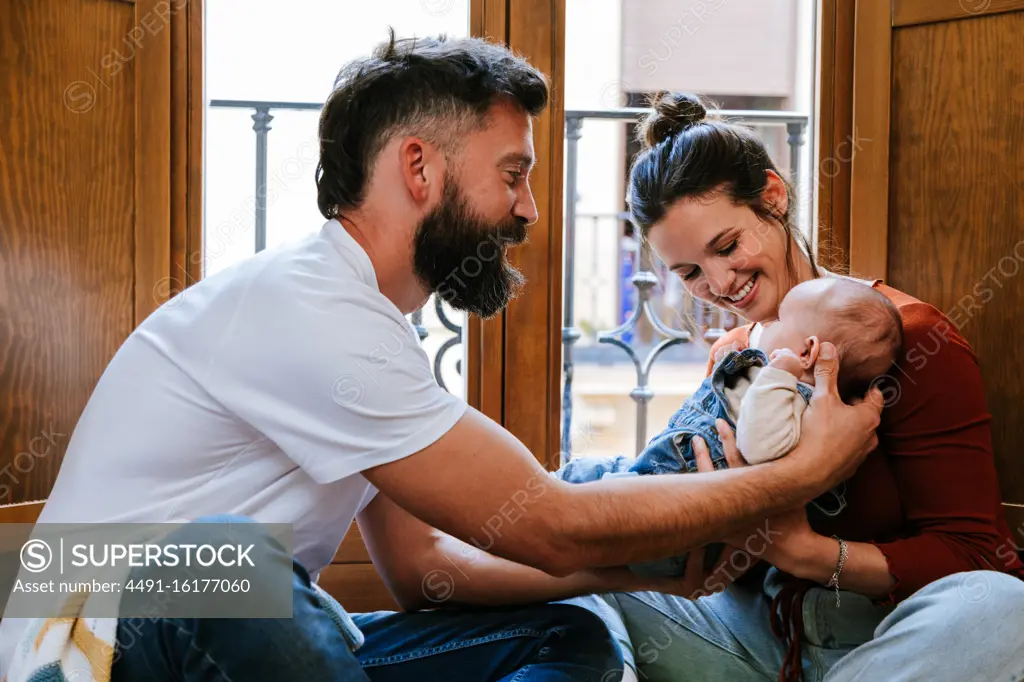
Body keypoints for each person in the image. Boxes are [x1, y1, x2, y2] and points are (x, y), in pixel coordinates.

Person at [0, 37, 882, 682]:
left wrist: (628, 576)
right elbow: (546, 522)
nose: (530, 210)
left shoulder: (375, 331)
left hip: (251, 634)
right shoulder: (305, 307)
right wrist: (802, 471)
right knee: (223, 563)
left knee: (569, 634)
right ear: (418, 167)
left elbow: (426, 570)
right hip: (102, 641)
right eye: (513, 174)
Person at [563, 92, 1024, 682]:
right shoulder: (733, 358)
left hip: (882, 644)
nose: (721, 283)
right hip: (749, 636)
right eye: (690, 273)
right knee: (568, 561)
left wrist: (798, 548)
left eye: (727, 247)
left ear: (774, 197)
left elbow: (977, 554)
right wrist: (706, 521)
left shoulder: (913, 340)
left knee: (1002, 611)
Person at [554, 277, 904, 580]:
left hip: (675, 526)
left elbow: (759, 445)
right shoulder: (777, 383)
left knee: (577, 520)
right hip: (660, 479)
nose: (765, 327)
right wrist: (733, 370)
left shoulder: (796, 399)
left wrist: (777, 373)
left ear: (807, 351)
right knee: (575, 477)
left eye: (779, 321)